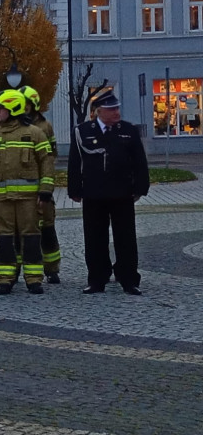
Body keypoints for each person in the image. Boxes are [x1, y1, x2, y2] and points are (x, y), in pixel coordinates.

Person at [67, 90, 149, 295]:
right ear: (98, 111)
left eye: (117, 108)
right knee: (94, 238)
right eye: (111, 109)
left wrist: (140, 187)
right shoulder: (83, 131)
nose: (116, 112)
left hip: (122, 193)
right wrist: (74, 189)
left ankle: (128, 279)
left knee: (126, 238)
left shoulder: (128, 130)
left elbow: (140, 162)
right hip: (94, 194)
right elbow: (75, 162)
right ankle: (97, 279)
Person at [0, 89, 53, 295]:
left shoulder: (35, 134)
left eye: (0, 109)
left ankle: (34, 279)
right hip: (3, 201)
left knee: (31, 238)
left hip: (29, 200)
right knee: (4, 238)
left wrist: (45, 192)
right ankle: (5, 279)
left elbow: (47, 163)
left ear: (13, 109)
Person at [18, 85, 62, 284]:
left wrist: (46, 186)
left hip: (41, 186)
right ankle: (18, 269)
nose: (24, 108)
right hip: (22, 186)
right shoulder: (15, 125)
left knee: (47, 229)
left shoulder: (45, 126)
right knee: (20, 231)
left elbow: (51, 157)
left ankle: (52, 269)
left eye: (27, 104)